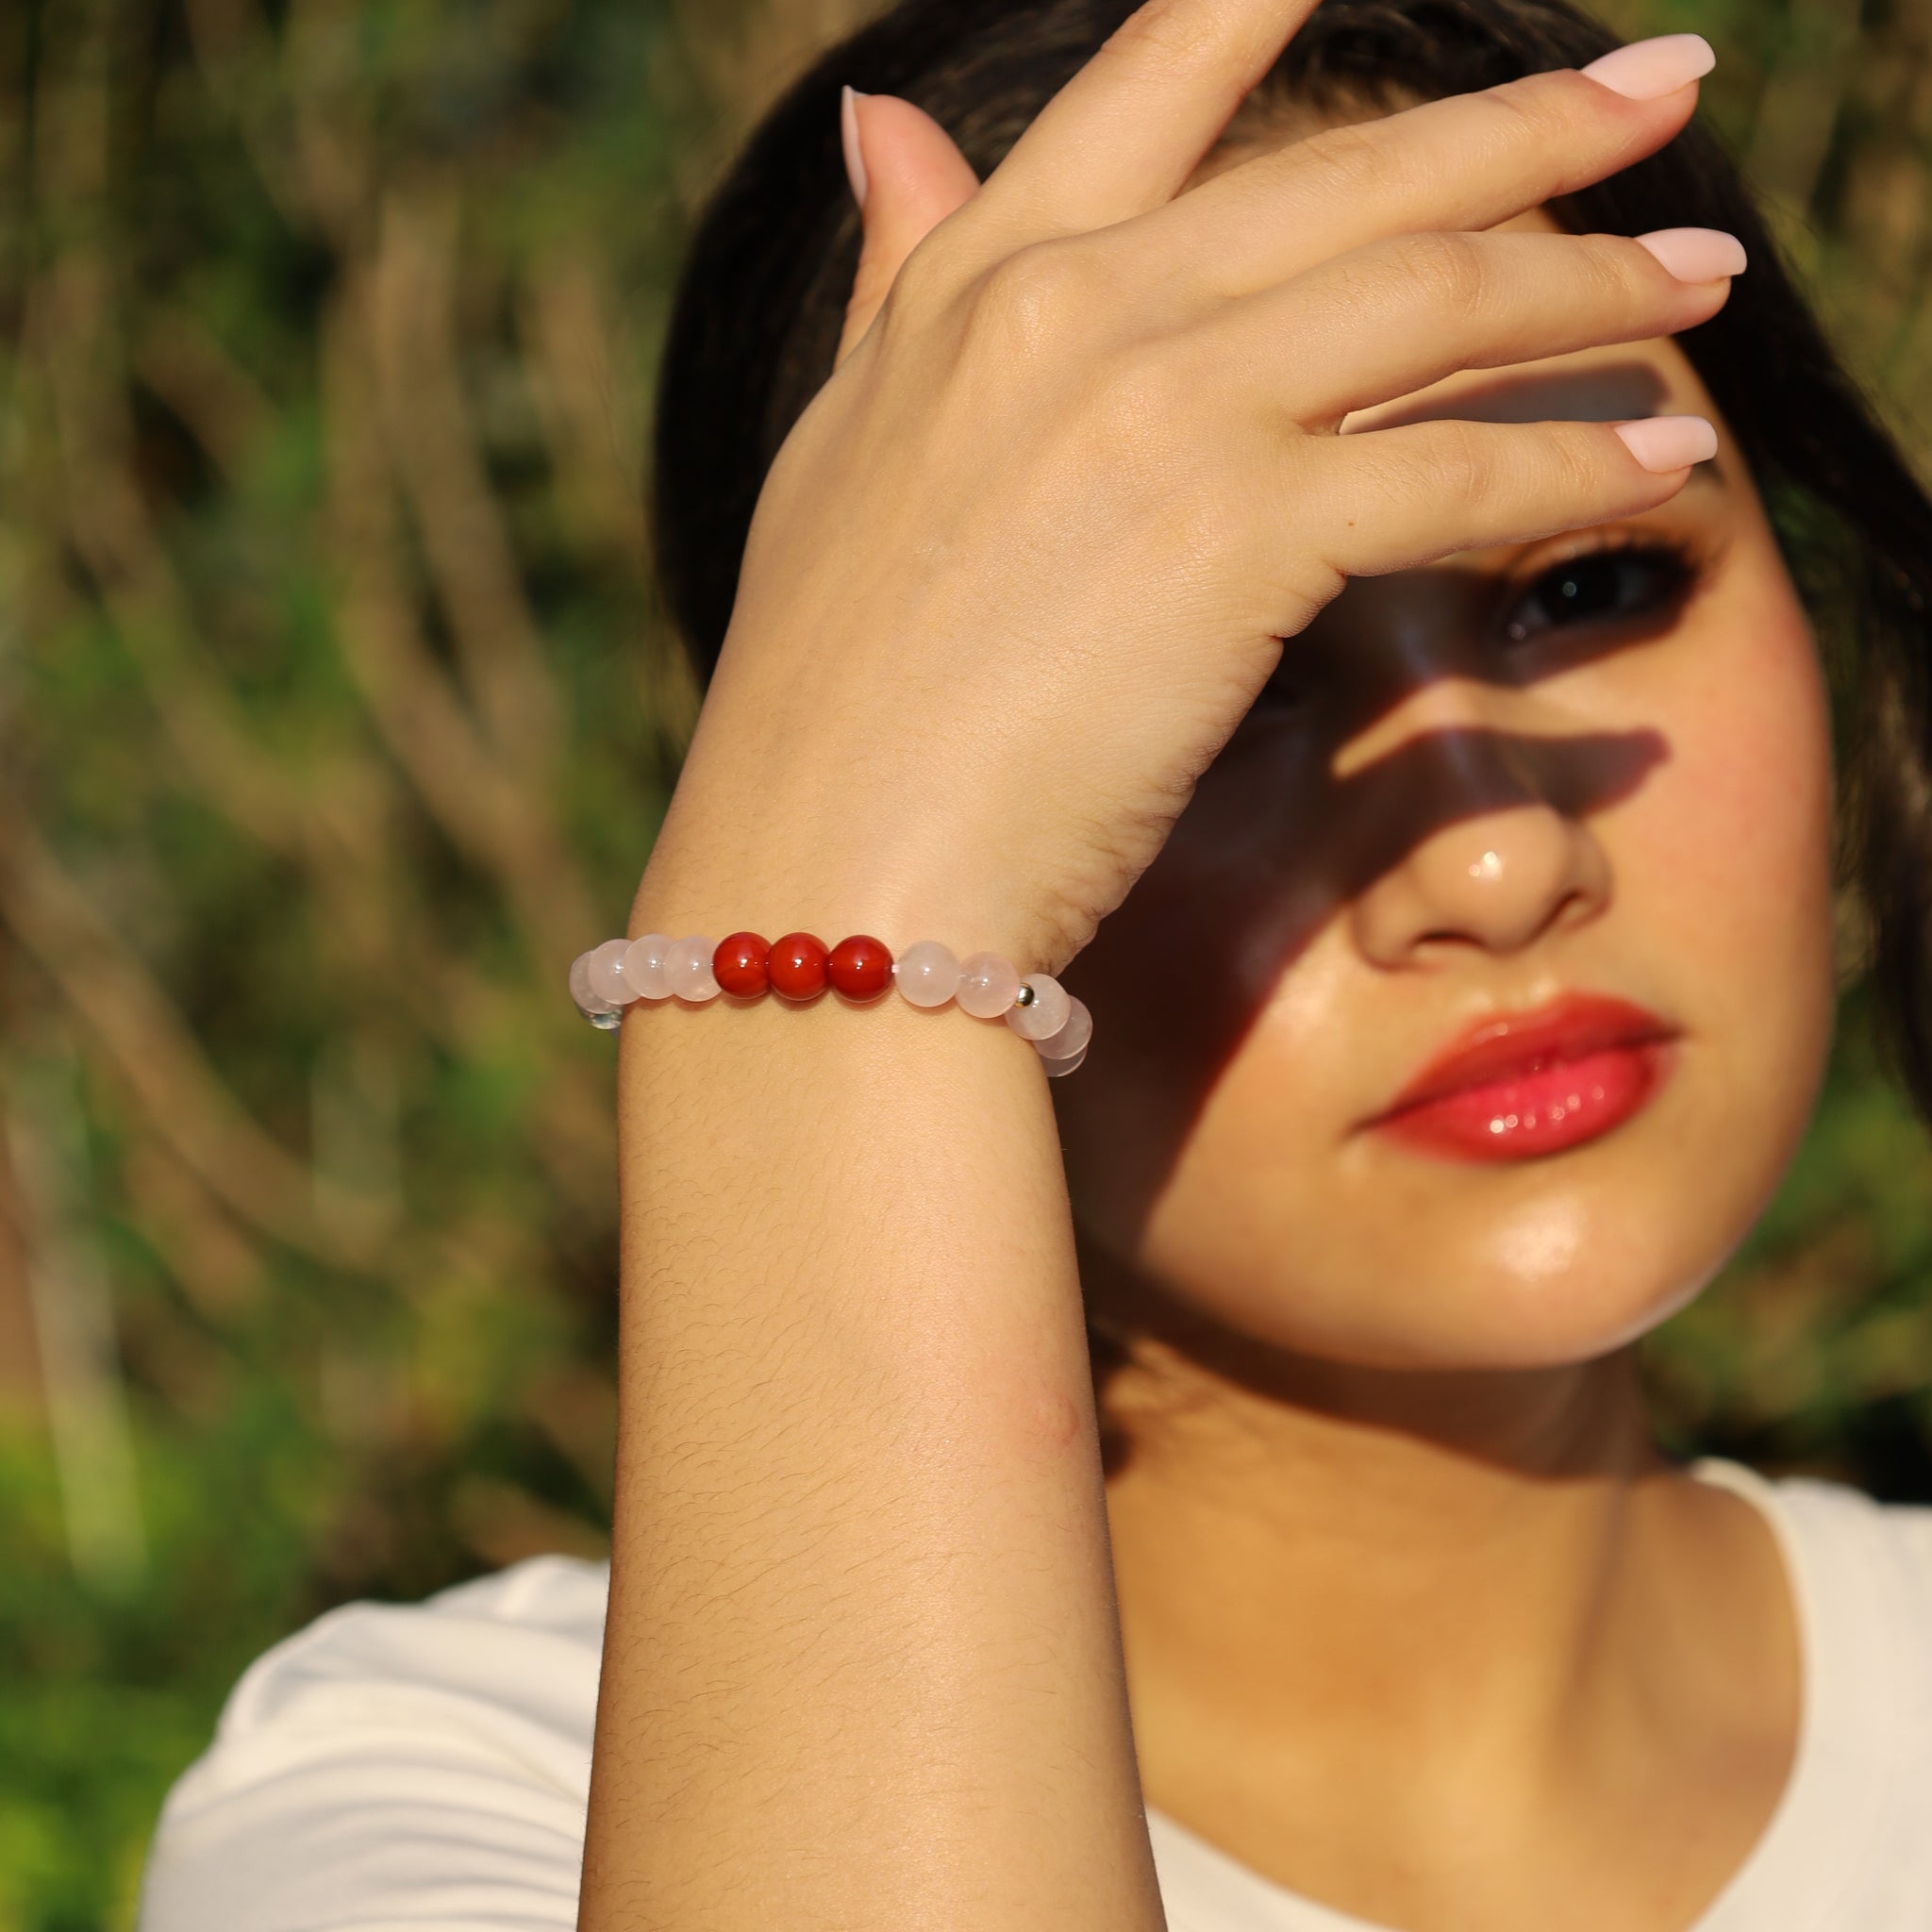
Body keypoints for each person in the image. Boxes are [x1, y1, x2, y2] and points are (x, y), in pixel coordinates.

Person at [137, 0, 1932, 1927]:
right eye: (1228, 683)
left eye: (1591, 580)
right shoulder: (450, 1804)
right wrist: (821, 927)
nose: (1497, 860)